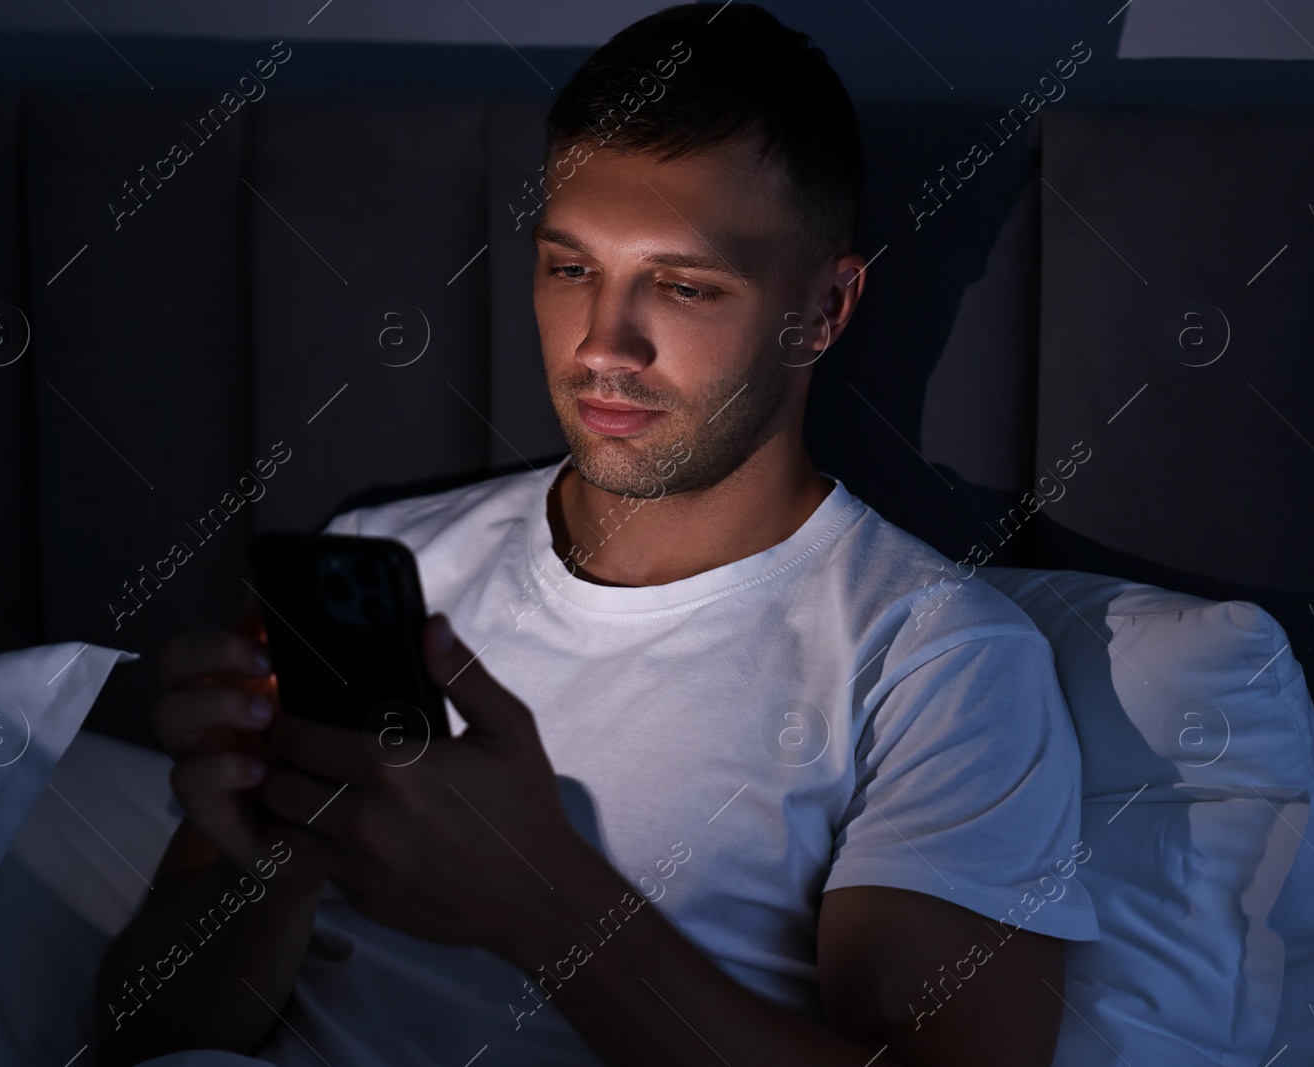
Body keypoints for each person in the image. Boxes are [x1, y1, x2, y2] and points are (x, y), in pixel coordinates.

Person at [96, 4, 1097, 1065]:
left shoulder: (935, 659)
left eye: (683, 285)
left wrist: (547, 903)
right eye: (572, 268)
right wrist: (277, 863)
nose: (602, 346)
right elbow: (137, 1032)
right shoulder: (386, 564)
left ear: (824, 308)